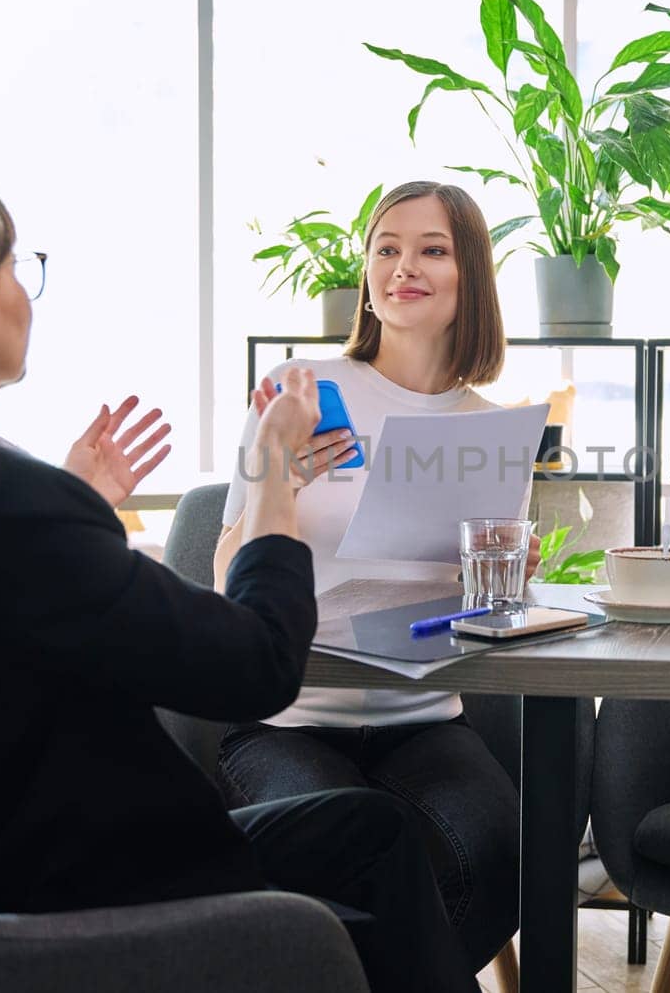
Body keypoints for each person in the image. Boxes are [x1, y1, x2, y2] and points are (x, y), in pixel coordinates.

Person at [0, 161, 477, 993]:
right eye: (11, 267)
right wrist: (273, 480)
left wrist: (72, 505)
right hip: (87, 918)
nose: (23, 291)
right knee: (371, 901)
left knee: (372, 831)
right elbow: (257, 665)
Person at [212, 180, 532, 970]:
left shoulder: (490, 429)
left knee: (496, 849)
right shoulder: (299, 394)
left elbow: (485, 607)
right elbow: (226, 575)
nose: (402, 267)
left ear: (471, 278)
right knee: (337, 850)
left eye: (431, 249)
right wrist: (274, 484)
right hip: (287, 717)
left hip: (420, 715)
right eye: (385, 249)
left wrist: (506, 576)